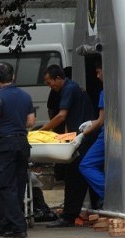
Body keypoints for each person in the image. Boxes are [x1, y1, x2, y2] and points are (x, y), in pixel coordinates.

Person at [0, 62, 35, 238]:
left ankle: (18, 226)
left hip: (5, 144)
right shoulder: (26, 97)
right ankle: (7, 225)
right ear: (13, 77)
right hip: (22, 143)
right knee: (18, 186)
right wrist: (16, 123)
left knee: (3, 185)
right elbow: (31, 122)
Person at [40, 64, 98, 228]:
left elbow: (61, 116)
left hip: (82, 139)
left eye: (49, 82)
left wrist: (43, 130)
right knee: (76, 176)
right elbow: (69, 119)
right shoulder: (72, 88)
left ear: (58, 78)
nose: (49, 86)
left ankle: (69, 216)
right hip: (79, 137)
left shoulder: (68, 89)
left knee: (74, 176)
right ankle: (76, 212)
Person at [79, 61, 105, 206]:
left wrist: (82, 134)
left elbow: (101, 120)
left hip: (106, 135)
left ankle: (108, 193)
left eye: (98, 72)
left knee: (86, 165)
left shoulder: (104, 92)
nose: (97, 75)